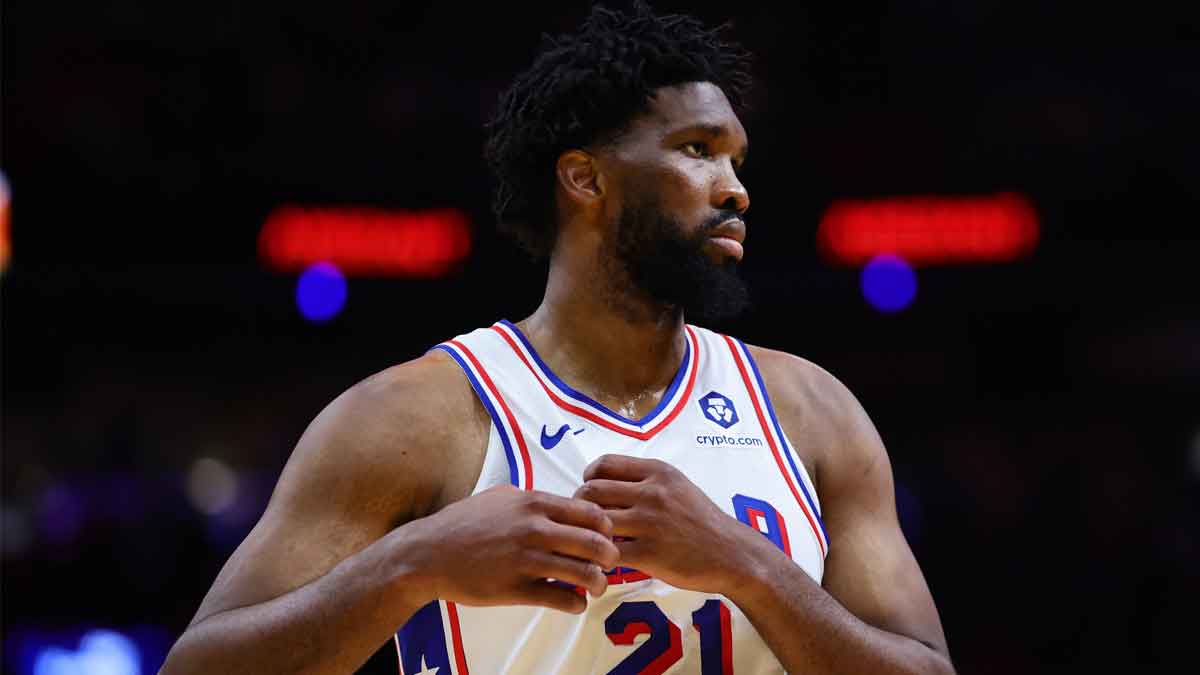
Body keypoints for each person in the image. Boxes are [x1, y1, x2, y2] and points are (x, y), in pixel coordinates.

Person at [162, 2, 954, 673]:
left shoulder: (811, 409)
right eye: (698, 150)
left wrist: (745, 562)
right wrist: (412, 563)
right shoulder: (420, 416)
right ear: (585, 178)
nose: (736, 187)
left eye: (738, 159)